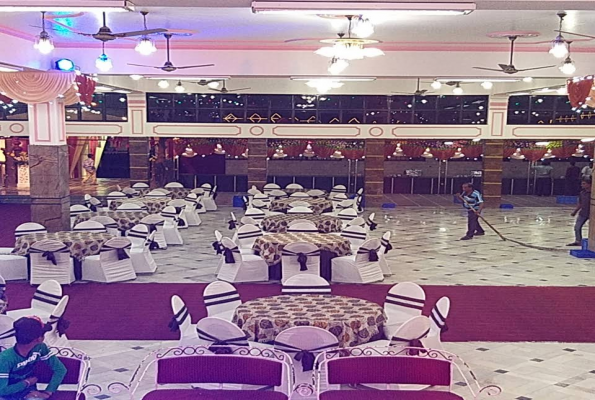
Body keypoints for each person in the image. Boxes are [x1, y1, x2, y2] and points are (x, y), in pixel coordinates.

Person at [0, 317, 66, 400]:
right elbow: (1, 390)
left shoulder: (41, 348)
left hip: (29, 392)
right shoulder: (5, 358)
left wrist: (48, 392)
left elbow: (60, 369)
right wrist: (26, 383)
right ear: (39, 339)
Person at [567, 178, 591, 246]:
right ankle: (578, 241)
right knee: (577, 227)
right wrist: (575, 212)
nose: (582, 185)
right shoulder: (582, 193)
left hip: (591, 213)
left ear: (589, 184)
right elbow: (580, 203)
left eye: (584, 184)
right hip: (583, 213)